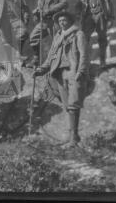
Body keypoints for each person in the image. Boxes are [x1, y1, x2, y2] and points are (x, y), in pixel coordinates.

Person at [33, 11, 89, 147]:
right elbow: (51, 57)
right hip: (59, 73)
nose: (62, 23)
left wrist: (81, 71)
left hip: (72, 71)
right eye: (60, 21)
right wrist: (42, 69)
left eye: (65, 20)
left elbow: (83, 55)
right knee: (66, 106)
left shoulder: (78, 34)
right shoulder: (57, 37)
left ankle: (74, 138)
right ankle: (72, 137)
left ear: (70, 21)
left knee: (73, 103)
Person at [75, 0, 114, 67]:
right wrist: (78, 15)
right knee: (85, 39)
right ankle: (84, 61)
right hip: (88, 17)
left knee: (102, 38)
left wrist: (110, 18)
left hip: (100, 16)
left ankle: (102, 61)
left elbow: (109, 4)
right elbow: (78, 6)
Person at [28, 0, 68, 67]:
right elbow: (39, 6)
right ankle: (36, 60)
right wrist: (36, 12)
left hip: (54, 20)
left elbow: (64, 3)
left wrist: (50, 10)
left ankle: (60, 62)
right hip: (43, 21)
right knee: (33, 38)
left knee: (57, 41)